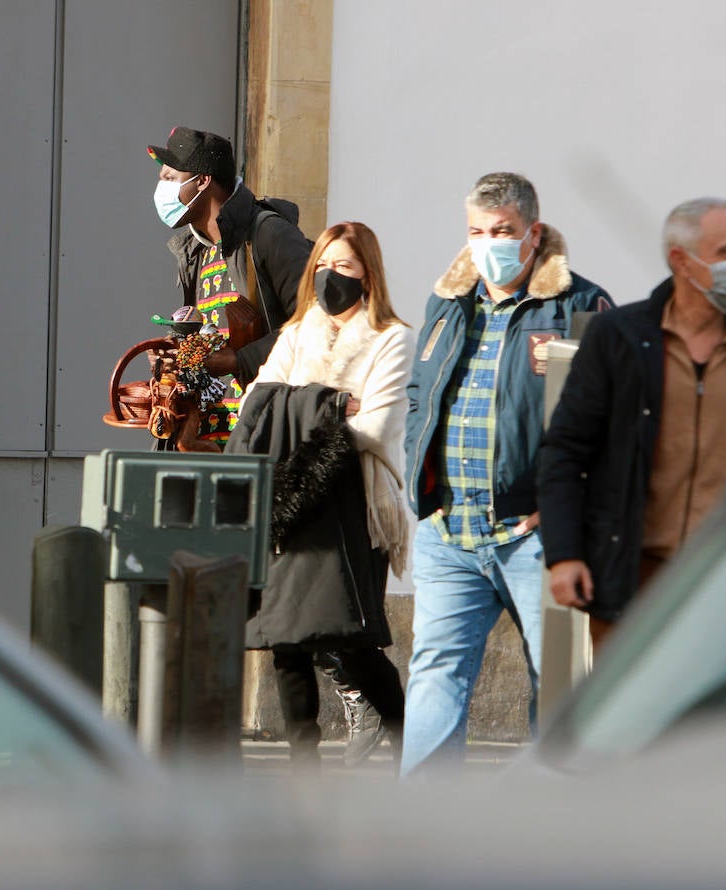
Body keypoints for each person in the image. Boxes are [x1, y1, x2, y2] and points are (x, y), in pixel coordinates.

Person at [401, 172, 614, 777]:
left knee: (560, 683)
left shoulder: (579, 305)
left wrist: (566, 506)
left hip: (537, 537)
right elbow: (421, 395)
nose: (487, 244)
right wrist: (424, 487)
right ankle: (422, 816)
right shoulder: (447, 301)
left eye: (502, 231)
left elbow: (612, 420)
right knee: (435, 673)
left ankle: (555, 815)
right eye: (476, 231)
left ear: (533, 233)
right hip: (450, 532)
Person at [538, 197, 726, 646]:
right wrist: (564, 555)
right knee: (626, 694)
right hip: (633, 575)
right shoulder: (618, 337)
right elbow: (565, 448)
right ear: (681, 260)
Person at [227, 221, 412, 771]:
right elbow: (254, 403)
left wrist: (295, 406)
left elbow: (376, 427)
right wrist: (328, 404)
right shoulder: (297, 332)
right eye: (324, 266)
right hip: (290, 495)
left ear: (368, 274)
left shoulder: (392, 339)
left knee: (350, 636)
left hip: (355, 501)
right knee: (285, 640)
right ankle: (302, 768)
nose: (332, 276)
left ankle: (407, 744)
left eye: (345, 266)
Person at [147, 126, 313, 446]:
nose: (161, 188)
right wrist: (174, 357)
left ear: (203, 180)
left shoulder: (269, 234)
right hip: (206, 442)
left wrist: (240, 360)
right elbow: (207, 336)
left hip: (262, 437)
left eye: (170, 178)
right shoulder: (194, 250)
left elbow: (314, 325)